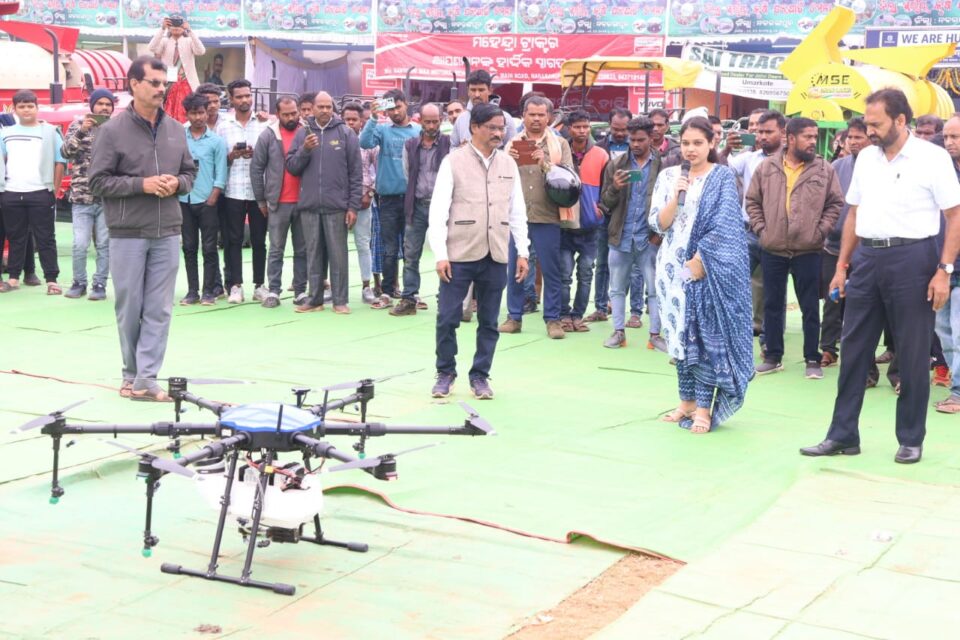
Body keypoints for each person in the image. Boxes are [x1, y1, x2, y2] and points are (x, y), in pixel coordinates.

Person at [801, 88, 960, 464]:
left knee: (913, 351)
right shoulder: (866, 160)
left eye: (876, 124)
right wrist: (842, 267)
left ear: (901, 120)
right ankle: (842, 435)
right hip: (867, 260)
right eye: (867, 124)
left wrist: (944, 270)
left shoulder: (932, 158)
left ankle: (910, 438)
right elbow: (854, 213)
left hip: (914, 259)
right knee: (854, 349)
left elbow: (955, 215)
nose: (868, 131)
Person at [88, 56, 196, 402]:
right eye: (154, 82)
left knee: (160, 309)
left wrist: (177, 183)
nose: (161, 89)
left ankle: (145, 379)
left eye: (164, 83)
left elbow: (190, 173)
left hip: (168, 230)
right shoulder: (111, 131)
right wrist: (142, 185)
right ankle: (131, 374)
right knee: (130, 307)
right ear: (134, 84)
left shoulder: (176, 129)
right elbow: (97, 182)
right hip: (128, 231)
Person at [649, 116, 753, 434]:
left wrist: (701, 259)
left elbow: (727, 225)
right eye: (685, 143)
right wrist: (675, 197)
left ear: (711, 144)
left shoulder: (721, 177)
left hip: (705, 268)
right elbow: (658, 224)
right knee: (679, 336)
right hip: (671, 270)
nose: (691, 149)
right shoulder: (668, 176)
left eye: (698, 143)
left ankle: (704, 409)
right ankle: (686, 402)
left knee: (704, 338)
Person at [427, 102, 530, 399]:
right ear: (474, 128)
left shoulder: (509, 164)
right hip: (458, 253)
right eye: (492, 128)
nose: (499, 133)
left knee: (489, 321)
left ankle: (480, 376)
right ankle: (445, 372)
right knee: (447, 317)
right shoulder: (453, 161)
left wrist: (522, 251)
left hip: (496, 253)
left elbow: (517, 211)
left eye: (502, 129)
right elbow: (438, 211)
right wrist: (440, 254)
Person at [747, 117, 843, 379]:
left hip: (808, 249)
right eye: (807, 137)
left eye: (815, 137)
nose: (813, 141)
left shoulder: (824, 169)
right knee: (772, 305)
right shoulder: (767, 167)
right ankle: (773, 356)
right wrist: (762, 230)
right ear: (791, 138)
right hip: (773, 247)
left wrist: (820, 231)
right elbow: (752, 201)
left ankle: (812, 358)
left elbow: (835, 203)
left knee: (810, 306)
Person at [499, 95, 574, 339]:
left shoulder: (559, 144)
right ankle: (514, 317)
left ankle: (553, 320)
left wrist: (546, 164)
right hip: (517, 216)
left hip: (547, 214)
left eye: (541, 115)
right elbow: (500, 177)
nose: (536, 119)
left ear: (549, 117)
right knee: (515, 268)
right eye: (532, 114)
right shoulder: (512, 143)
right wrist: (508, 161)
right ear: (523, 116)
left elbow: (570, 177)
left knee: (551, 269)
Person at [285, 91, 362, 314]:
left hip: (337, 206)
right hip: (309, 205)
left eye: (329, 107)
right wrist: (305, 149)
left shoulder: (346, 133)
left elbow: (356, 174)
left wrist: (353, 206)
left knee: (338, 255)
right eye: (321, 107)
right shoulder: (302, 133)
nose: (325, 110)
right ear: (313, 108)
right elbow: (292, 167)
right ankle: (314, 299)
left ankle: (340, 300)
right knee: (313, 254)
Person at [600, 116, 665, 350]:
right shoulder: (616, 164)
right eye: (632, 140)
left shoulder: (663, 165)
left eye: (640, 140)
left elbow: (672, 202)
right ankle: (619, 333)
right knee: (617, 288)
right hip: (621, 236)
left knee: (655, 290)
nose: (635, 144)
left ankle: (655, 336)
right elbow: (605, 203)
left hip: (651, 238)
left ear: (651, 138)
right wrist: (615, 188)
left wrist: (660, 234)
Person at [0, 90, 66, 294]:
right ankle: (13, 278)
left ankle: (51, 280)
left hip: (41, 192)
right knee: (16, 237)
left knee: (46, 238)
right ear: (14, 109)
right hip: (11, 192)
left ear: (37, 108)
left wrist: (54, 190)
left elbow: (60, 162)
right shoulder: (5, 133)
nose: (26, 110)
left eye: (30, 106)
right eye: (22, 106)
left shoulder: (50, 132)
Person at [729, 110, 787, 341]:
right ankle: (737, 334)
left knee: (775, 290)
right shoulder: (749, 158)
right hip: (748, 232)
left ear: (783, 133)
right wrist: (726, 148)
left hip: (777, 234)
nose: (762, 136)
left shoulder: (791, 160)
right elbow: (721, 169)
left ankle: (771, 341)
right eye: (759, 131)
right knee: (735, 283)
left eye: (768, 132)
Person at [359, 88, 421, 306]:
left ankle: (411, 292)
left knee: (411, 248)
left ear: (406, 104)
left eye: (398, 107)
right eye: (391, 109)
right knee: (389, 249)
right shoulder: (382, 130)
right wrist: (374, 117)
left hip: (413, 198)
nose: (395, 112)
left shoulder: (418, 130)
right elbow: (364, 143)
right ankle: (387, 291)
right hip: (387, 199)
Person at [392, 103, 451, 316]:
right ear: (420, 121)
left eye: (435, 121)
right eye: (428, 122)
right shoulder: (410, 145)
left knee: (447, 254)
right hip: (416, 206)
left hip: (443, 207)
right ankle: (409, 299)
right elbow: (408, 174)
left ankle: (446, 299)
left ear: (441, 120)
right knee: (411, 255)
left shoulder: (449, 144)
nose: (432, 126)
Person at [820, 117, 870, 368]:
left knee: (860, 302)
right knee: (832, 298)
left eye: (859, 137)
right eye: (850, 137)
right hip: (834, 245)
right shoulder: (837, 166)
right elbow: (827, 202)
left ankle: (861, 354)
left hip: (867, 248)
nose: (852, 141)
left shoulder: (878, 166)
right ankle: (828, 348)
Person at [251, 95, 308, 309]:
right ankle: (274, 291)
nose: (291, 117)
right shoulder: (268, 135)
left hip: (304, 202)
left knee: (302, 250)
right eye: (286, 114)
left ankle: (300, 291)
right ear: (278, 114)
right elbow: (256, 168)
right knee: (276, 249)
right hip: (277, 202)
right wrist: (261, 200)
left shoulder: (308, 132)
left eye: (294, 113)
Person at [216, 79, 268, 304]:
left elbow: (271, 157)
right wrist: (232, 156)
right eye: (239, 97)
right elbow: (219, 160)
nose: (245, 100)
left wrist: (257, 155)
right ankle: (235, 285)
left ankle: (259, 285)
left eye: (247, 95)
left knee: (259, 240)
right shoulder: (223, 126)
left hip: (259, 191)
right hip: (233, 190)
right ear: (231, 99)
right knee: (232, 240)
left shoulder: (265, 124)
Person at [61, 88, 116, 301]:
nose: (104, 108)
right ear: (92, 105)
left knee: (104, 244)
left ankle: (100, 284)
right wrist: (82, 131)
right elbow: (66, 152)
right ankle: (79, 282)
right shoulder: (77, 125)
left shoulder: (116, 128)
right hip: (81, 197)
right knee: (79, 244)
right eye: (100, 103)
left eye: (108, 104)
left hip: (107, 197)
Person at [560, 110, 608, 333]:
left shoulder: (601, 154)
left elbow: (609, 187)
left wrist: (602, 208)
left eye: (586, 127)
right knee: (564, 275)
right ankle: (563, 315)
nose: (582, 131)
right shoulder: (561, 151)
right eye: (578, 127)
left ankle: (577, 316)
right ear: (569, 128)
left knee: (586, 274)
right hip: (565, 224)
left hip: (590, 226)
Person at [179, 92, 226, 306]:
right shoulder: (179, 137)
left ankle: (209, 291)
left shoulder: (216, 141)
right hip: (184, 200)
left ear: (207, 113)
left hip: (207, 201)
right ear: (187, 114)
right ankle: (192, 291)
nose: (197, 117)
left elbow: (221, 172)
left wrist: (213, 197)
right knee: (189, 247)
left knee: (209, 247)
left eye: (201, 113)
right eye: (193, 113)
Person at [586, 107, 633, 325]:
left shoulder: (638, 148)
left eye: (624, 129)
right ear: (609, 126)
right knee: (603, 262)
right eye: (616, 129)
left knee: (630, 263)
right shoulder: (598, 149)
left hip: (630, 212)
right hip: (605, 211)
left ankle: (623, 305)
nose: (620, 133)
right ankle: (600, 306)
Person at [935, 114, 960, 414]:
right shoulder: (940, 173)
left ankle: (958, 393)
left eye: (955, 137)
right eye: (946, 137)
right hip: (940, 265)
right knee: (943, 332)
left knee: (958, 330)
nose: (949, 142)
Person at [341, 102, 377, 304]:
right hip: (339, 202)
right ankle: (336, 287)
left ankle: (366, 286)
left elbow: (379, 171)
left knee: (363, 244)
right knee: (336, 246)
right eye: (347, 119)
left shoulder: (369, 144)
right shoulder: (335, 142)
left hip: (363, 202)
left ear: (361, 121)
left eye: (354, 119)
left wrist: (370, 193)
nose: (351, 123)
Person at [148, 14, 205, 122]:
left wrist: (190, 31)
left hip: (188, 84)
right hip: (169, 85)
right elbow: (152, 47)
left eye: (179, 23)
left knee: (188, 112)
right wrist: (162, 29)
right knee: (168, 115)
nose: (176, 26)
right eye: (173, 23)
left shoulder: (189, 41)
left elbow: (201, 51)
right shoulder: (165, 41)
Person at [450, 69, 517, 148]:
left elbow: (513, 149)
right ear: (468, 91)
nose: (477, 94)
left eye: (481, 90)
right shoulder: (461, 119)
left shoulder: (505, 118)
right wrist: (461, 149)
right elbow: (452, 148)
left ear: (490, 90)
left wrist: (495, 151)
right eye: (473, 90)